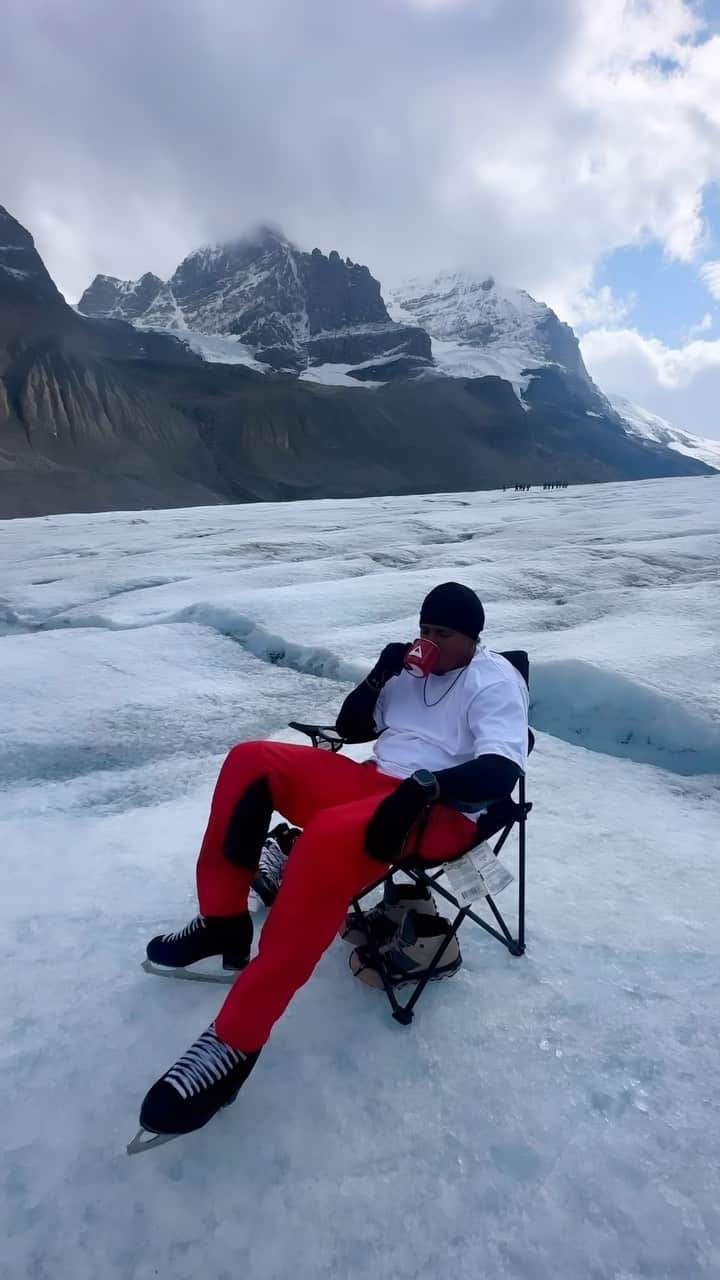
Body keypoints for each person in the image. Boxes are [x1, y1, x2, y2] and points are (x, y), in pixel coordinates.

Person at [135, 582, 529, 1144]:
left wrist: (426, 788)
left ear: (472, 637)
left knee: (322, 842)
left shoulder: (494, 681)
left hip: (442, 808)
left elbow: (499, 769)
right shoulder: (411, 673)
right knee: (252, 761)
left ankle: (235, 1041)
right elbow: (351, 731)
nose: (430, 644)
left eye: (443, 634)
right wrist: (379, 675)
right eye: (424, 632)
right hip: (374, 783)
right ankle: (223, 923)